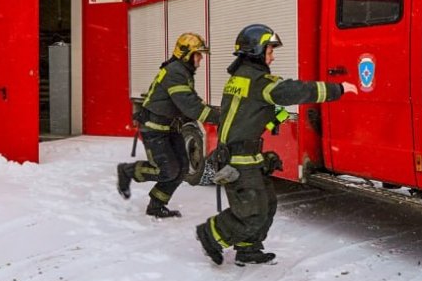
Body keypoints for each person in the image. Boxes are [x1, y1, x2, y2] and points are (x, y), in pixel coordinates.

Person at [196, 24, 356, 266]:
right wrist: (337, 89)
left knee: (266, 203)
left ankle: (248, 248)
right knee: (252, 211)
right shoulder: (258, 80)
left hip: (243, 155)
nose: (273, 55)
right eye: (269, 50)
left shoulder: (242, 78)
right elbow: (289, 91)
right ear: (256, 51)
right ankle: (212, 232)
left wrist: (275, 118)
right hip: (239, 158)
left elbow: (251, 113)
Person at [117, 32, 215, 218]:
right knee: (167, 170)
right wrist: (218, 116)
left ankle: (156, 205)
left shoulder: (182, 71)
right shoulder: (176, 71)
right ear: (186, 54)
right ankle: (127, 171)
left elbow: (189, 101)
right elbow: (190, 106)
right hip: (154, 129)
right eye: (198, 53)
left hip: (170, 128)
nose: (201, 58)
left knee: (182, 169)